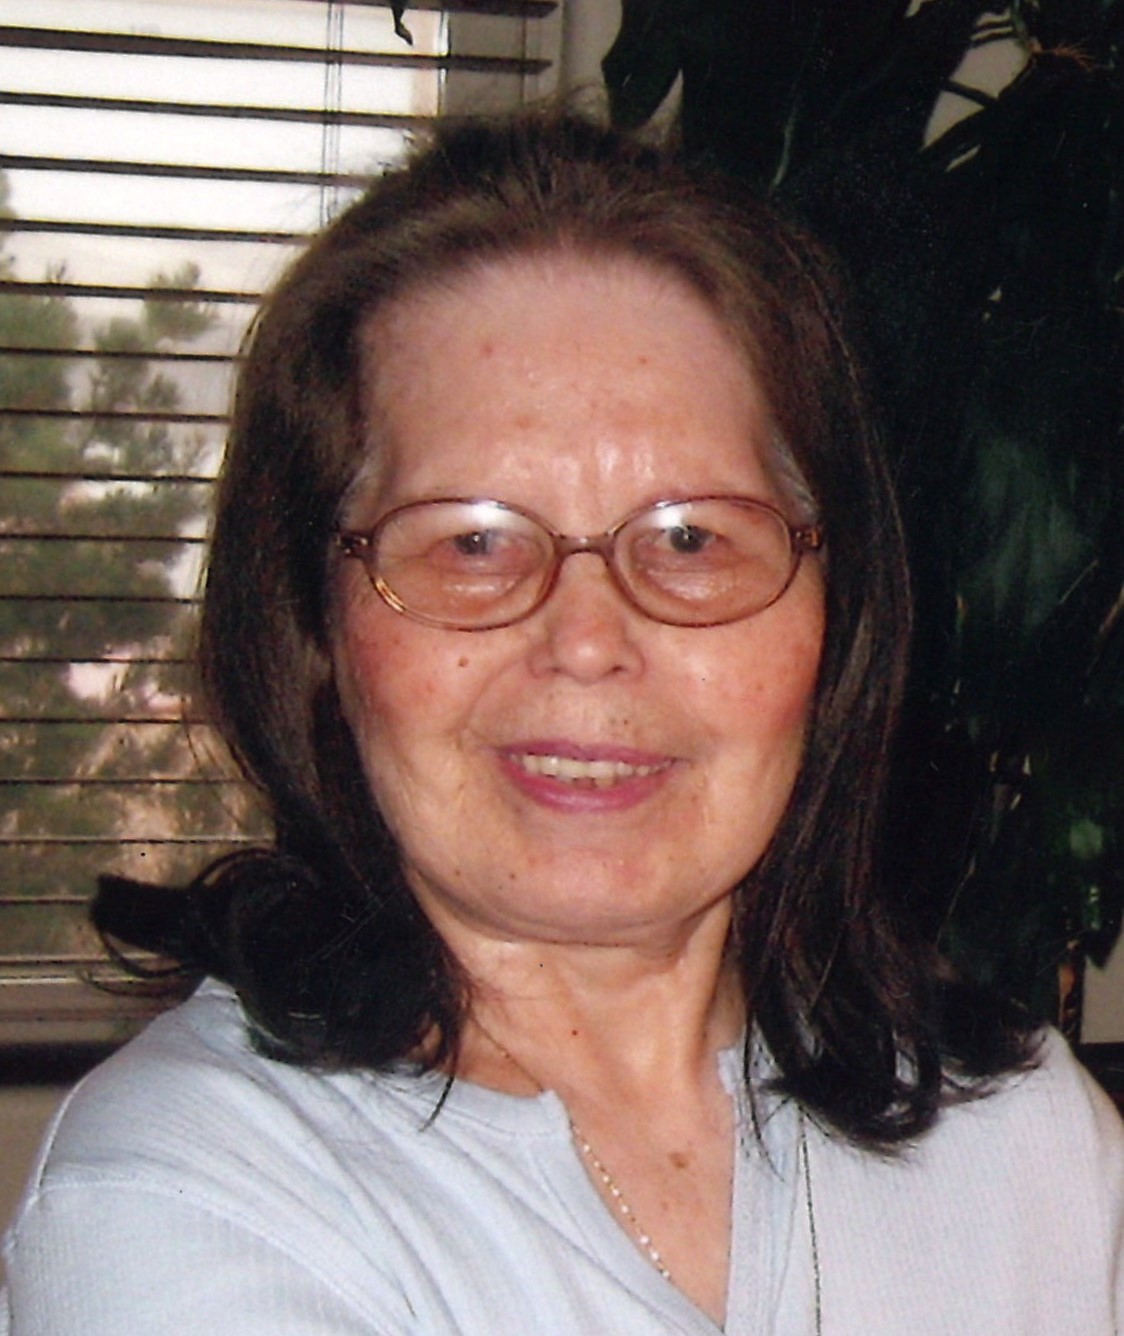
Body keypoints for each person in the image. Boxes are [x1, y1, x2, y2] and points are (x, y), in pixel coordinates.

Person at [3, 109, 1122, 1335]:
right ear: (315, 625)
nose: (586, 639)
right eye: (471, 542)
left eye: (690, 538)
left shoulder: (1021, 1138)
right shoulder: (183, 1195)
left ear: (835, 612)